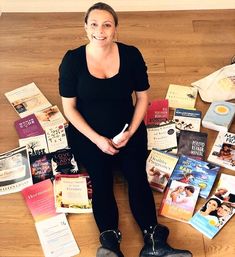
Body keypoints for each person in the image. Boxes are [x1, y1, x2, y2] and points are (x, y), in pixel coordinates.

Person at [58, 2, 192, 257]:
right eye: (94, 24)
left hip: (127, 129)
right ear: (85, 27)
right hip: (88, 135)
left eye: (107, 25)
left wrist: (130, 131)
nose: (100, 30)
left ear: (115, 29)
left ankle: (154, 241)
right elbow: (70, 109)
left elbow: (142, 98)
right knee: (101, 180)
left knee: (137, 176)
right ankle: (110, 245)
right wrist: (98, 140)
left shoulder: (131, 55)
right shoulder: (72, 60)